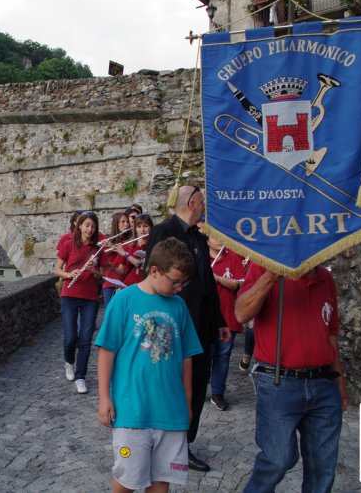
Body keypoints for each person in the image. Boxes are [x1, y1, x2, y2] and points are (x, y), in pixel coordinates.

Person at [95, 238, 203, 493]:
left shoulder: (179, 306)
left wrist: (187, 403)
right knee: (127, 478)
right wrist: (103, 397)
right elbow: (106, 350)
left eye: (183, 283)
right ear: (154, 270)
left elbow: (187, 356)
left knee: (162, 480)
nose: (178, 288)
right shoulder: (123, 301)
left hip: (170, 412)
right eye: (175, 281)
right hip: (132, 411)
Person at [236, 264, 349, 493]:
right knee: (277, 460)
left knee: (323, 468)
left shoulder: (325, 278)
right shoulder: (263, 269)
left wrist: (340, 384)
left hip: (324, 382)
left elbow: (331, 334)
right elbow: (241, 313)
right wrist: (271, 276)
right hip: (279, 382)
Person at [144, 185, 229, 472]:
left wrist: (219, 320)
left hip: (202, 326)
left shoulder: (198, 238)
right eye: (202, 201)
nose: (204, 206)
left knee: (197, 382)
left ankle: (184, 444)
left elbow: (208, 283)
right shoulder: (164, 230)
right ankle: (159, 442)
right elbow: (151, 276)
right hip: (171, 326)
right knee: (169, 384)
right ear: (192, 203)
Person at [54, 211, 104, 394]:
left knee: (85, 339)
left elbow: (103, 274)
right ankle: (69, 362)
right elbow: (57, 269)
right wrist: (69, 274)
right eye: (87, 225)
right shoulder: (68, 245)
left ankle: (81, 376)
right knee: (70, 338)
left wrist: (95, 270)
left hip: (90, 297)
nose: (90, 229)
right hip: (70, 294)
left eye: (93, 226)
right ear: (80, 226)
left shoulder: (98, 249)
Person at [207, 238, 245, 411]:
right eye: (215, 237)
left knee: (223, 356)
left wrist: (216, 278)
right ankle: (199, 389)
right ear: (207, 240)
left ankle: (218, 392)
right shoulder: (199, 258)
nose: (220, 240)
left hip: (227, 316)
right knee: (205, 356)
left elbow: (237, 284)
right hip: (207, 317)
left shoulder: (233, 259)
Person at [116, 213, 153, 289]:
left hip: (145, 288)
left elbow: (146, 268)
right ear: (135, 229)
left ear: (151, 228)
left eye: (145, 226)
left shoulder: (154, 246)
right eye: (139, 227)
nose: (142, 230)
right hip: (127, 287)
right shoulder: (127, 246)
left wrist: (125, 255)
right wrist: (111, 268)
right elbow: (121, 271)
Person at [102, 212, 131, 306]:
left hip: (126, 282)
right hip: (110, 283)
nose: (126, 224)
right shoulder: (108, 241)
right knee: (111, 314)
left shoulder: (131, 241)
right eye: (123, 222)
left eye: (127, 221)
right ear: (116, 224)